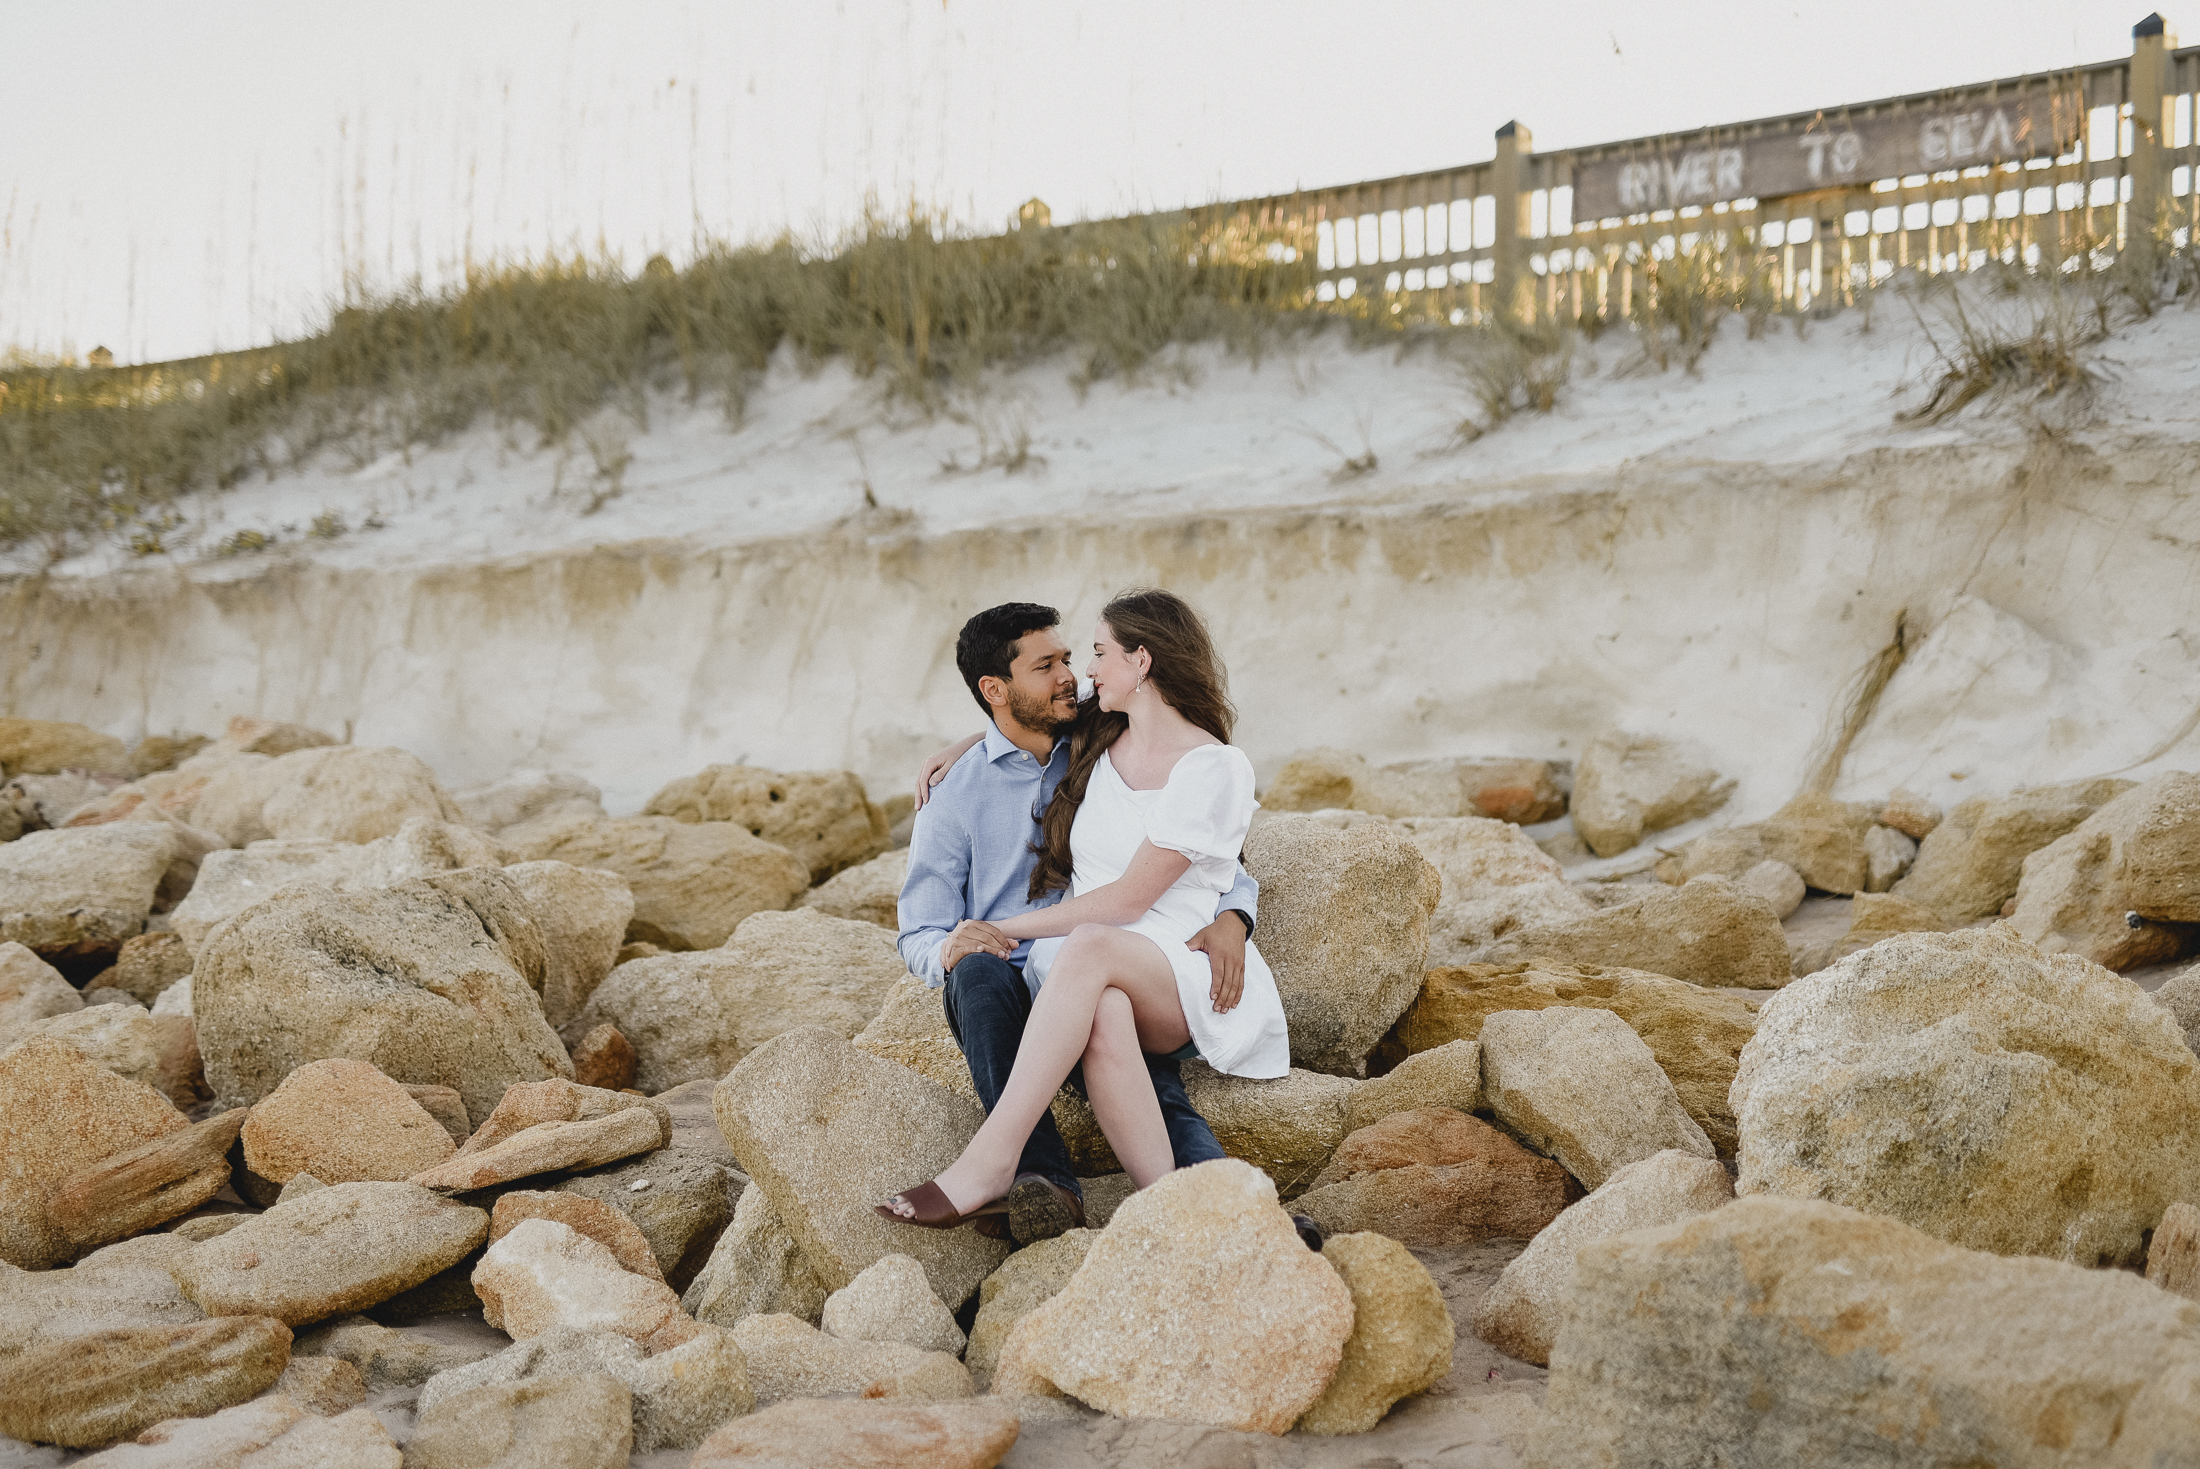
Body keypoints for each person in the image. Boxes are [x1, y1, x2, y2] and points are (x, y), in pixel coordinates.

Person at [883, 589, 1289, 1233]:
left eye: (1072, 657)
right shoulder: (954, 795)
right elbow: (919, 935)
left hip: (1113, 958)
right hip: (1015, 971)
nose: (1072, 676)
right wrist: (957, 946)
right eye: (1046, 667)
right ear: (995, 689)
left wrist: (1236, 917)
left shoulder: (1095, 738)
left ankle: (1238, 1220)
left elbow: (1209, 854)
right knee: (978, 976)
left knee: (1144, 1066)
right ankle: (1042, 1175)